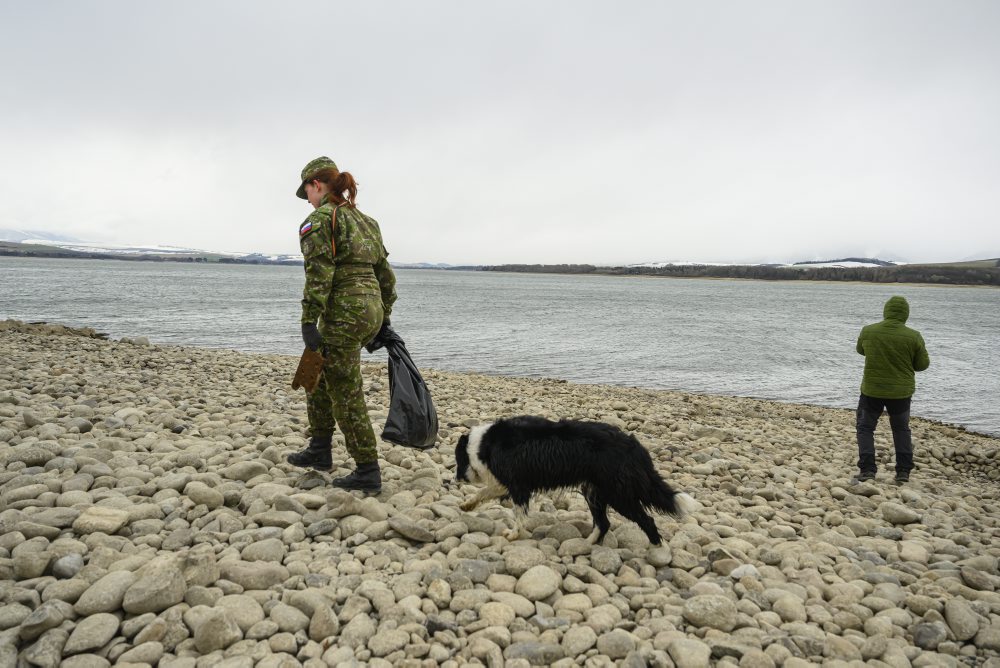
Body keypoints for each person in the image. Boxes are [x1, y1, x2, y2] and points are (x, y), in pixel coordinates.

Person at [286, 156, 396, 493]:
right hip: (370, 307)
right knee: (315, 368)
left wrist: (308, 320)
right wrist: (383, 317)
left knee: (345, 390)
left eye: (307, 193)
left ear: (316, 185)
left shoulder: (320, 220)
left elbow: (319, 274)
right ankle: (319, 448)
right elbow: (385, 276)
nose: (308, 200)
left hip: (344, 312)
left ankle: (367, 469)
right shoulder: (367, 221)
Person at [854, 295, 930, 483]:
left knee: (865, 428)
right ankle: (903, 471)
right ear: (905, 314)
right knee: (901, 429)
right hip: (901, 393)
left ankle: (867, 469)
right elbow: (922, 365)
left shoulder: (868, 331)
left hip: (872, 390)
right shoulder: (914, 336)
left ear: (886, 311)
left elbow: (860, 350)